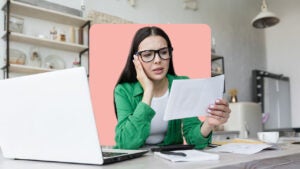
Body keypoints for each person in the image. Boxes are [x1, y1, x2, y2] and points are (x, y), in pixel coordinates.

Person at [114, 26, 231, 150]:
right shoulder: (123, 90)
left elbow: (194, 141)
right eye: (148, 55)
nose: (158, 60)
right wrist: (148, 91)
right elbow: (125, 143)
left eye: (164, 52)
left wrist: (209, 123)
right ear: (136, 60)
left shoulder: (182, 83)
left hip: (170, 160)